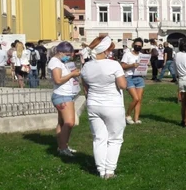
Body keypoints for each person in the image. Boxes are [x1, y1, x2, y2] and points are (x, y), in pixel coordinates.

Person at [81, 36, 127, 179]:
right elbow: (123, 85)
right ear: (106, 50)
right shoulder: (113, 65)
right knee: (115, 139)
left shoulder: (86, 66)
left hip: (93, 104)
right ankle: (109, 171)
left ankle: (101, 170)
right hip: (112, 104)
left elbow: (85, 87)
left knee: (99, 138)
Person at [48, 42, 81, 157]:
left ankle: (62, 146)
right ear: (60, 52)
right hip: (62, 95)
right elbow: (58, 80)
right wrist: (72, 75)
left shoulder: (61, 61)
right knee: (69, 122)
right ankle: (63, 148)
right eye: (67, 54)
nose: (69, 56)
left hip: (65, 94)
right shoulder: (55, 63)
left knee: (62, 123)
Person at [121, 38, 145, 125]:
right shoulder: (127, 54)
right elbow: (123, 65)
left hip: (140, 77)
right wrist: (132, 65)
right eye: (136, 45)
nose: (138, 47)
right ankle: (127, 115)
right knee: (136, 98)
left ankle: (136, 119)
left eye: (139, 46)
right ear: (133, 45)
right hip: (129, 77)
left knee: (139, 99)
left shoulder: (142, 55)